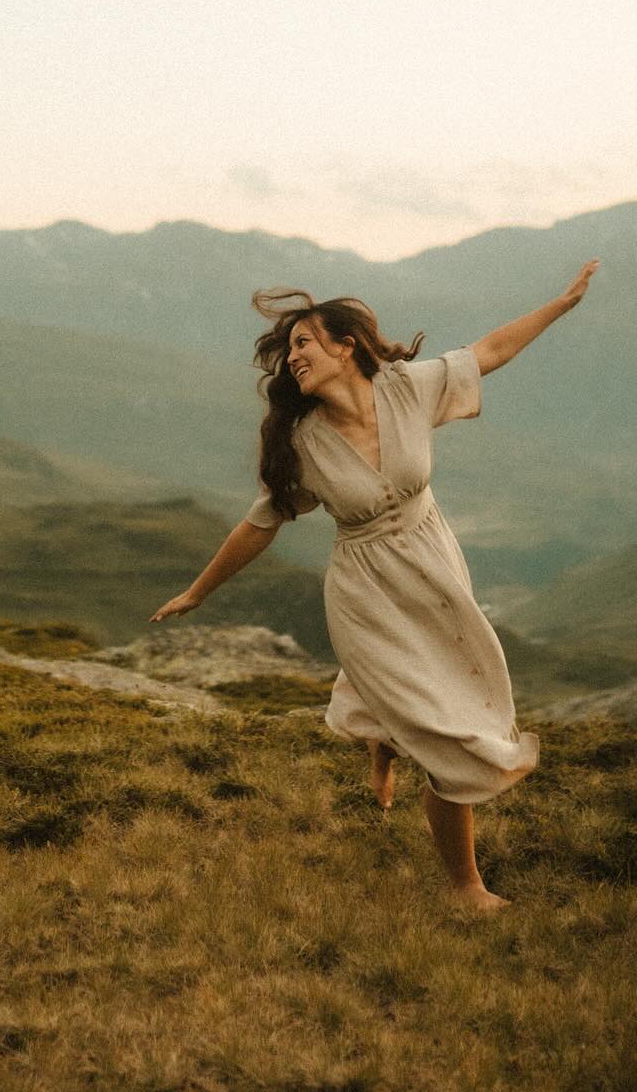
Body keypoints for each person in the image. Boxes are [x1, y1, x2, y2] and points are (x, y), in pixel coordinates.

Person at [151, 261, 600, 912]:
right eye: (289, 350)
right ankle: (465, 888)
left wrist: (560, 303)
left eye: (304, 342)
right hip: (365, 596)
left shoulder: (408, 390)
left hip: (434, 567)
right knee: (450, 739)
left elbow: (490, 350)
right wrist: (198, 591)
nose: (293, 357)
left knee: (452, 691)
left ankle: (382, 737)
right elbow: (261, 523)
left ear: (346, 344)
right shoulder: (303, 441)